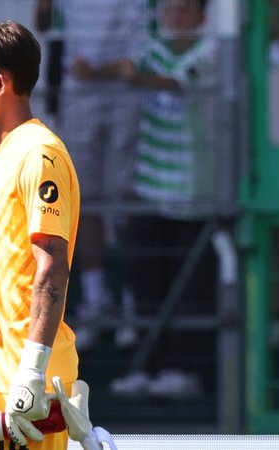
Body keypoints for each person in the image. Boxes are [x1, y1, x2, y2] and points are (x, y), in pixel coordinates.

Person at [76, 0, 216, 398]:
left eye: (185, 11)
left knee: (187, 289)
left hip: (193, 195)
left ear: (202, 18)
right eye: (170, 11)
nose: (175, 19)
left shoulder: (210, 52)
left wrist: (130, 78)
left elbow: (176, 81)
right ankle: (145, 367)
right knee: (147, 284)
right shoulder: (151, 50)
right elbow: (128, 67)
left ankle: (185, 371)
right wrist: (93, 72)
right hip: (151, 191)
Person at [0, 20, 80, 450]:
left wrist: (32, 368)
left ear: (2, 83)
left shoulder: (38, 153)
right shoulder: (9, 151)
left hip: (24, 388)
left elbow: (52, 266)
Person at [35, 0, 149, 351]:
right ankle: (96, 302)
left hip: (128, 92)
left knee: (127, 200)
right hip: (80, 94)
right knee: (85, 200)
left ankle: (134, 303)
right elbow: (42, 20)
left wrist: (111, 70)